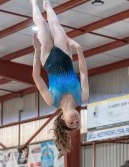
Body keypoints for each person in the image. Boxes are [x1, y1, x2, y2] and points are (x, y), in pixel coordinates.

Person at [31, 0, 89, 155]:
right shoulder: (82, 97)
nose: (75, 120)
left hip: (47, 59)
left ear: (63, 119)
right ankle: (46, 3)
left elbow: (36, 77)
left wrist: (36, 52)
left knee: (42, 25)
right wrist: (79, 49)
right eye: (77, 122)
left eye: (72, 123)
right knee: (55, 23)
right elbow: (83, 72)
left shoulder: (52, 101)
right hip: (65, 54)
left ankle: (32, 2)